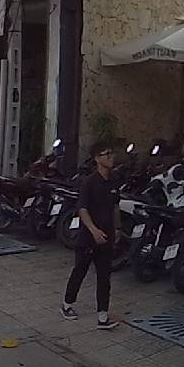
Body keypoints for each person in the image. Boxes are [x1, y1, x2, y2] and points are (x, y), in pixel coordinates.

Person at [62, 140, 120, 330]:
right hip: (88, 237)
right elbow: (82, 209)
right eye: (106, 154)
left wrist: (117, 228)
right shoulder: (89, 182)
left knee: (104, 276)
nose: (111, 157)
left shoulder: (113, 180)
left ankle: (103, 316)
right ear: (97, 159)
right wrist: (93, 230)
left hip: (107, 236)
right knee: (80, 270)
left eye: (111, 153)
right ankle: (67, 303)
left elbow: (115, 206)